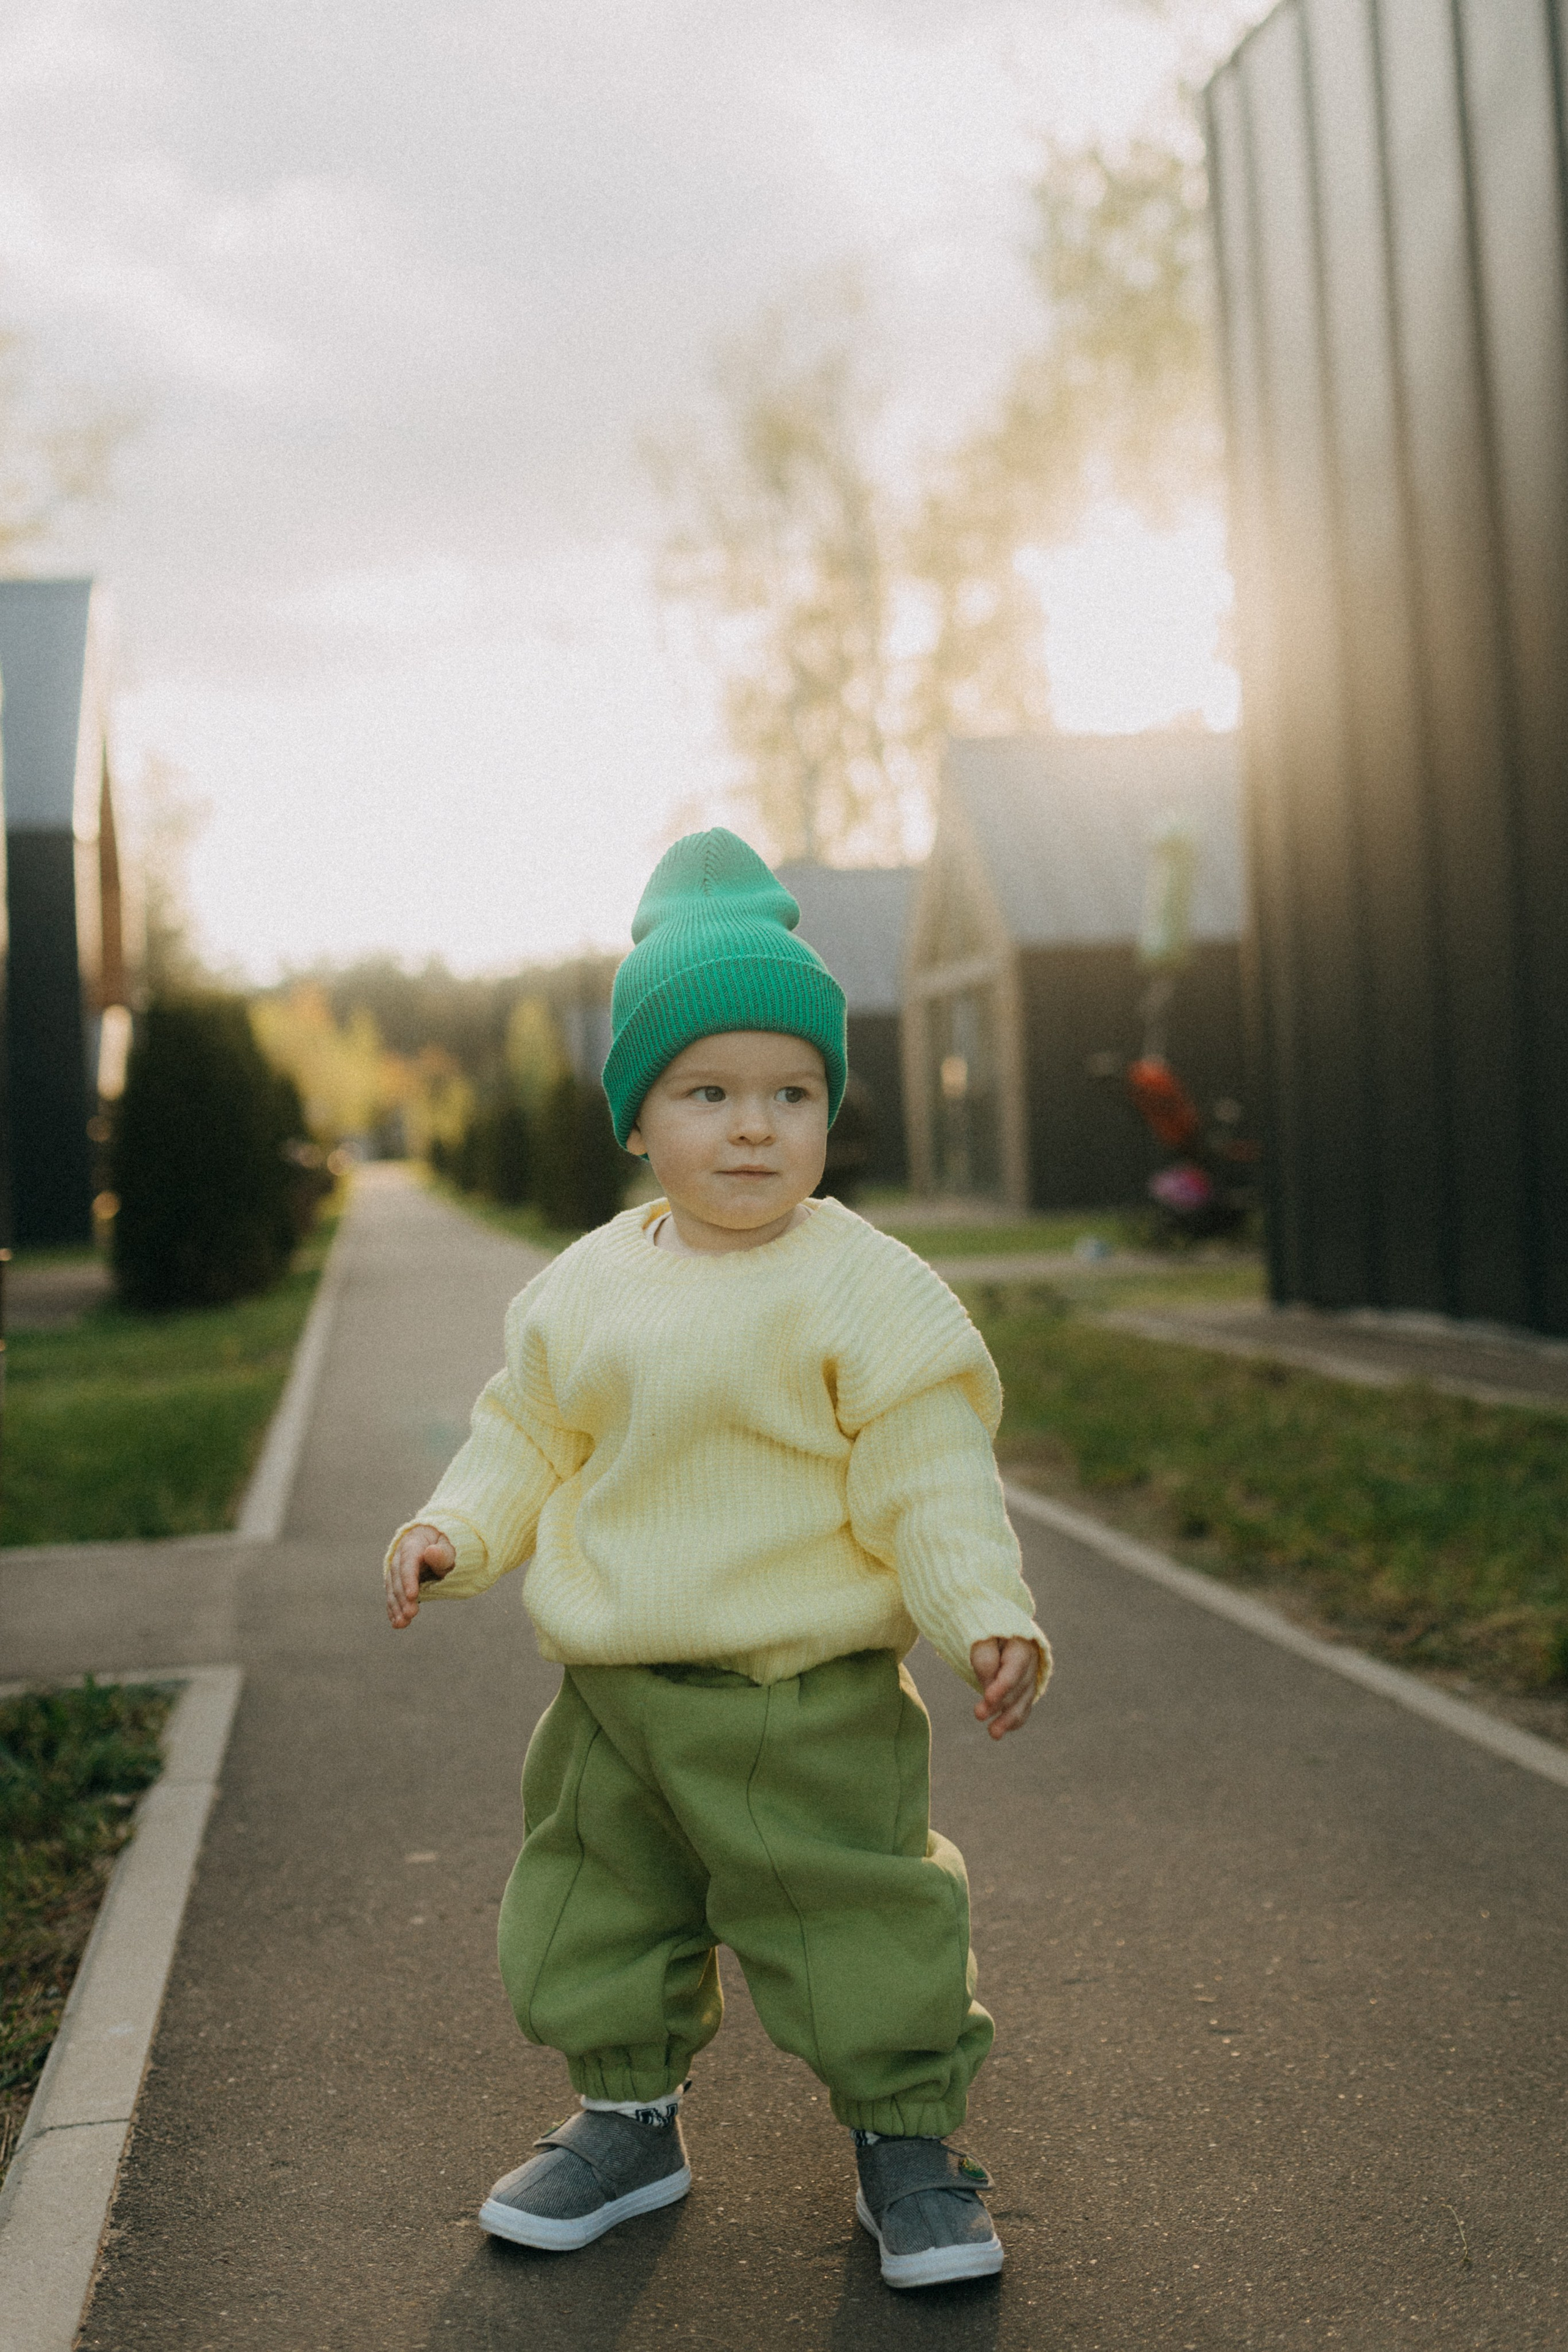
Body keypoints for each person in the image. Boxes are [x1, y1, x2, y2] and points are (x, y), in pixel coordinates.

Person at [383, 828, 1049, 2291]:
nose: (752, 1129)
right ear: (637, 1120)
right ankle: (627, 2118)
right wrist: (454, 1530)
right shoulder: (585, 1288)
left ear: (827, 1109)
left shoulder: (865, 1286)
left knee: (860, 1918)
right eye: (707, 1094)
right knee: (592, 1906)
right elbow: (523, 1436)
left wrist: (980, 1608)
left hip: (806, 1697)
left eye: (790, 1094)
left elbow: (929, 1472)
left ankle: (905, 2140)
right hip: (616, 1698)